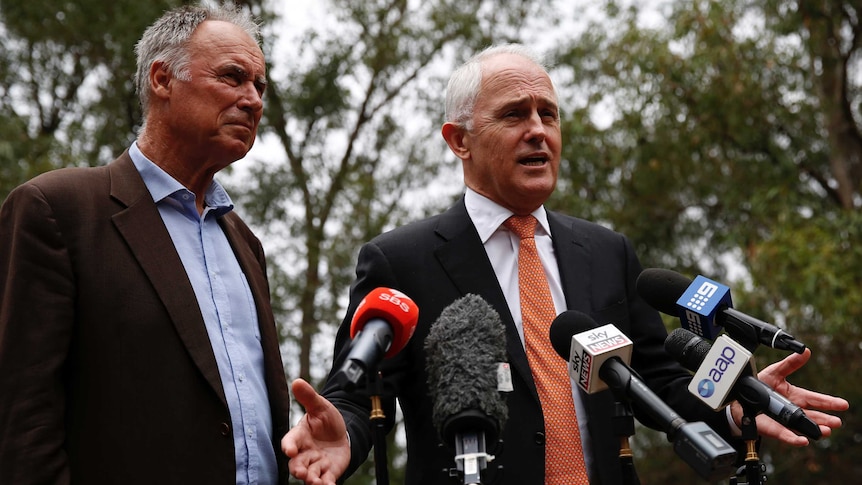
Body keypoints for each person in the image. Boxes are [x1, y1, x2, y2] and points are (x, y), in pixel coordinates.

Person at [282, 44, 849, 484]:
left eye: (548, 114)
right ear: (459, 140)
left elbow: (659, 380)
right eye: (515, 114)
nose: (538, 130)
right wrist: (345, 440)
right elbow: (356, 396)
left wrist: (736, 403)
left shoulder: (606, 252)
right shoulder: (402, 260)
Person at [0, 3, 291, 484]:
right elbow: (21, 422)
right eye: (233, 77)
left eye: (259, 86)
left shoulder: (244, 242)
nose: (253, 100)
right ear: (162, 80)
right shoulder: (57, 210)